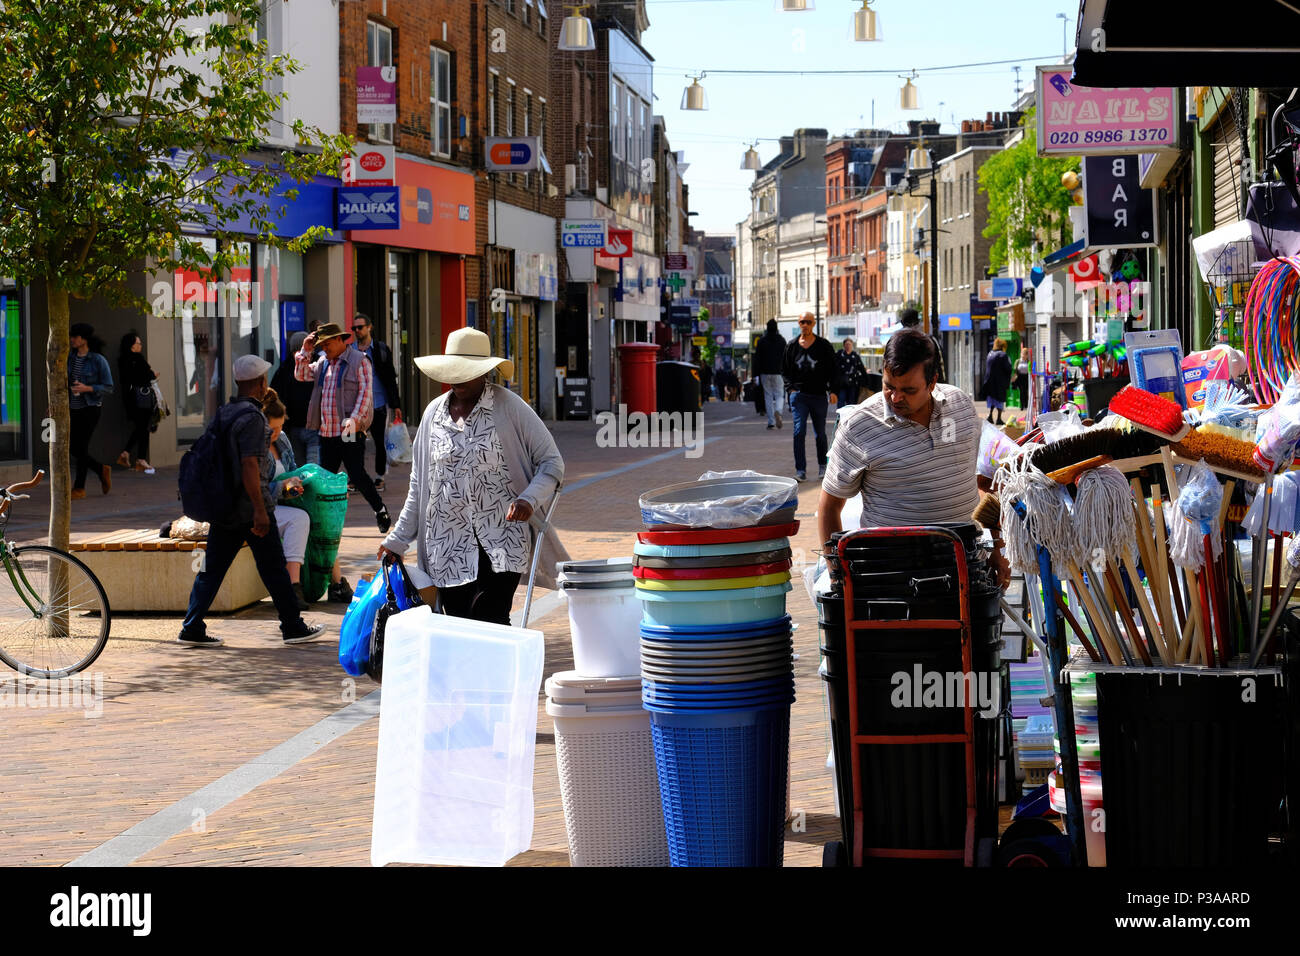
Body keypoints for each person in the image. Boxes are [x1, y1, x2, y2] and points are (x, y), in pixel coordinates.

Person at [377, 328, 566, 626]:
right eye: (452, 370)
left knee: (491, 619)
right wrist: (398, 539)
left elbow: (551, 463)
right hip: (445, 543)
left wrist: (529, 499)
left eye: (466, 371)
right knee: (458, 625)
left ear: (484, 372)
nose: (457, 378)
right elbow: (419, 486)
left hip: (501, 539)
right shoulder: (433, 415)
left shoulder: (509, 408)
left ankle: (498, 673)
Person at [817, 329, 1010, 590]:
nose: (896, 398)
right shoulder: (859, 426)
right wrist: (837, 577)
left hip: (965, 570)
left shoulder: (961, 407)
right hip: (891, 578)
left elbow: (981, 481)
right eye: (888, 386)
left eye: (908, 390)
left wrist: (996, 549)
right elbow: (829, 507)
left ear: (932, 383)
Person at [177, 355, 325, 647]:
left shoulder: (225, 412)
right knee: (273, 567)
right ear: (261, 383)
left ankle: (192, 626)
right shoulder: (254, 419)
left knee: (212, 569)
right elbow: (249, 467)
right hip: (248, 507)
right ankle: (293, 626)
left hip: (224, 507)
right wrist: (260, 510)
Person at [293, 322, 391, 534]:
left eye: (327, 343)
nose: (324, 348)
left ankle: (380, 509)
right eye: (321, 345)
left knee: (356, 473)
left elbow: (366, 395)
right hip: (326, 432)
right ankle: (324, 521)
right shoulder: (321, 363)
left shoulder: (359, 361)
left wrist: (354, 420)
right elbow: (300, 375)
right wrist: (305, 349)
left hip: (349, 430)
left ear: (340, 340)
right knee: (325, 478)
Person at [262, 389, 354, 608]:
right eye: (272, 429)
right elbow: (257, 489)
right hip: (263, 505)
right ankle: (294, 587)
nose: (277, 433)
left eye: (281, 427)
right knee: (302, 518)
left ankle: (336, 583)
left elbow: (294, 473)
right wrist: (283, 488)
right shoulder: (254, 444)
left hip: (284, 501)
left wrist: (299, 486)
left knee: (322, 514)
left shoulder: (282, 440)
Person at [782, 312, 837, 481]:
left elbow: (833, 369)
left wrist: (833, 390)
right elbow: (784, 370)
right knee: (799, 432)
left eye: (808, 322)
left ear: (813, 324)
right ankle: (801, 470)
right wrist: (790, 388)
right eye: (801, 322)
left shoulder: (823, 346)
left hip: (819, 395)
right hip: (799, 396)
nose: (804, 325)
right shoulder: (791, 346)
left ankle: (822, 466)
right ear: (798, 324)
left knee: (820, 433)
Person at [350, 312, 401, 492]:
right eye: (354, 328)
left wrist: (396, 405)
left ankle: (379, 477)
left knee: (380, 442)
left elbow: (389, 378)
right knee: (354, 443)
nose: (357, 331)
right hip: (355, 407)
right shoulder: (350, 351)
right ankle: (355, 477)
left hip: (378, 404)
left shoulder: (380, 349)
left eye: (360, 327)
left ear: (369, 327)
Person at [68, 322, 114, 500]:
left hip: (90, 408)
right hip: (72, 408)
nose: (72, 340)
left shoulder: (97, 360)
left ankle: (79, 488)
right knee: (73, 447)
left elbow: (109, 387)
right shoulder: (71, 358)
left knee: (81, 447)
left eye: (75, 337)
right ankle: (101, 469)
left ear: (83, 339)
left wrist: (87, 388)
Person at [270, 331, 319, 466]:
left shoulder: (318, 366)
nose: (299, 355)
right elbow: (276, 399)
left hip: (315, 429)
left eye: (302, 350)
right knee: (301, 471)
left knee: (312, 472)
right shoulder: (284, 371)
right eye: (296, 351)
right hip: (293, 430)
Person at [116, 331, 157, 474]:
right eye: (138, 343)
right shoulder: (138, 359)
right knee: (143, 427)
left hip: (129, 399)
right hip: (142, 398)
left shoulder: (122, 360)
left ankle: (127, 455)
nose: (141, 345)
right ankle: (140, 460)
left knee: (140, 427)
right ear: (132, 346)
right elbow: (149, 376)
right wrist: (152, 374)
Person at [899, 307, 947, 384]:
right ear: (918, 322)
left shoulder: (898, 343)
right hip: (928, 387)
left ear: (902, 323)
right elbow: (940, 365)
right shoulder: (929, 341)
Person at [754, 318, 786, 429]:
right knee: (779, 394)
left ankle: (771, 421)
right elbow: (785, 358)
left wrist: (755, 374)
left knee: (767, 396)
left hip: (764, 372)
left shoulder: (761, 341)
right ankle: (778, 410)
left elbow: (757, 358)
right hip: (778, 372)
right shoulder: (782, 341)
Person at [984, 338, 1013, 425]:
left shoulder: (990, 354)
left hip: (989, 381)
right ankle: (999, 418)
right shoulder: (1003, 355)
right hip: (1000, 382)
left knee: (992, 399)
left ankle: (990, 416)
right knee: (1000, 399)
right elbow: (1008, 368)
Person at [835, 337, 868, 408]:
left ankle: (850, 417)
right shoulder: (839, 354)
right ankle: (840, 417)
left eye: (849, 344)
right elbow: (834, 367)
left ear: (852, 345)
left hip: (853, 383)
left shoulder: (855, 356)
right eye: (846, 344)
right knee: (841, 400)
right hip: (842, 383)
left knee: (851, 402)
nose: (848, 346)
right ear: (844, 345)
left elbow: (861, 368)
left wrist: (867, 379)